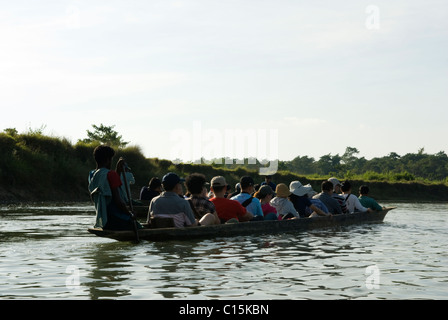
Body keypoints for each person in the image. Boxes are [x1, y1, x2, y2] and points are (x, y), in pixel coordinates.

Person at [88, 145, 141, 231]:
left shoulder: (92, 175)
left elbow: (106, 185)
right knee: (138, 227)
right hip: (119, 221)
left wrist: (118, 171)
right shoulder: (111, 174)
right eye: (111, 159)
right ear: (108, 159)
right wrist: (130, 214)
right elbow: (119, 202)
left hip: (104, 222)